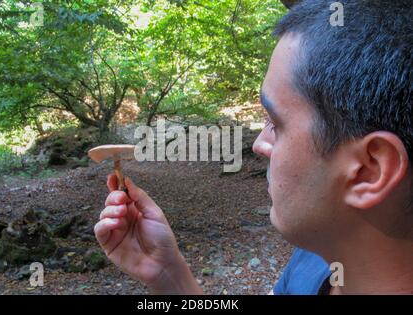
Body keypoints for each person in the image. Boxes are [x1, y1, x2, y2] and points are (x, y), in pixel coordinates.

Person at [94, 0, 413, 295]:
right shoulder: (316, 262)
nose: (260, 144)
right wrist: (168, 274)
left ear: (370, 170)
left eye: (275, 122)